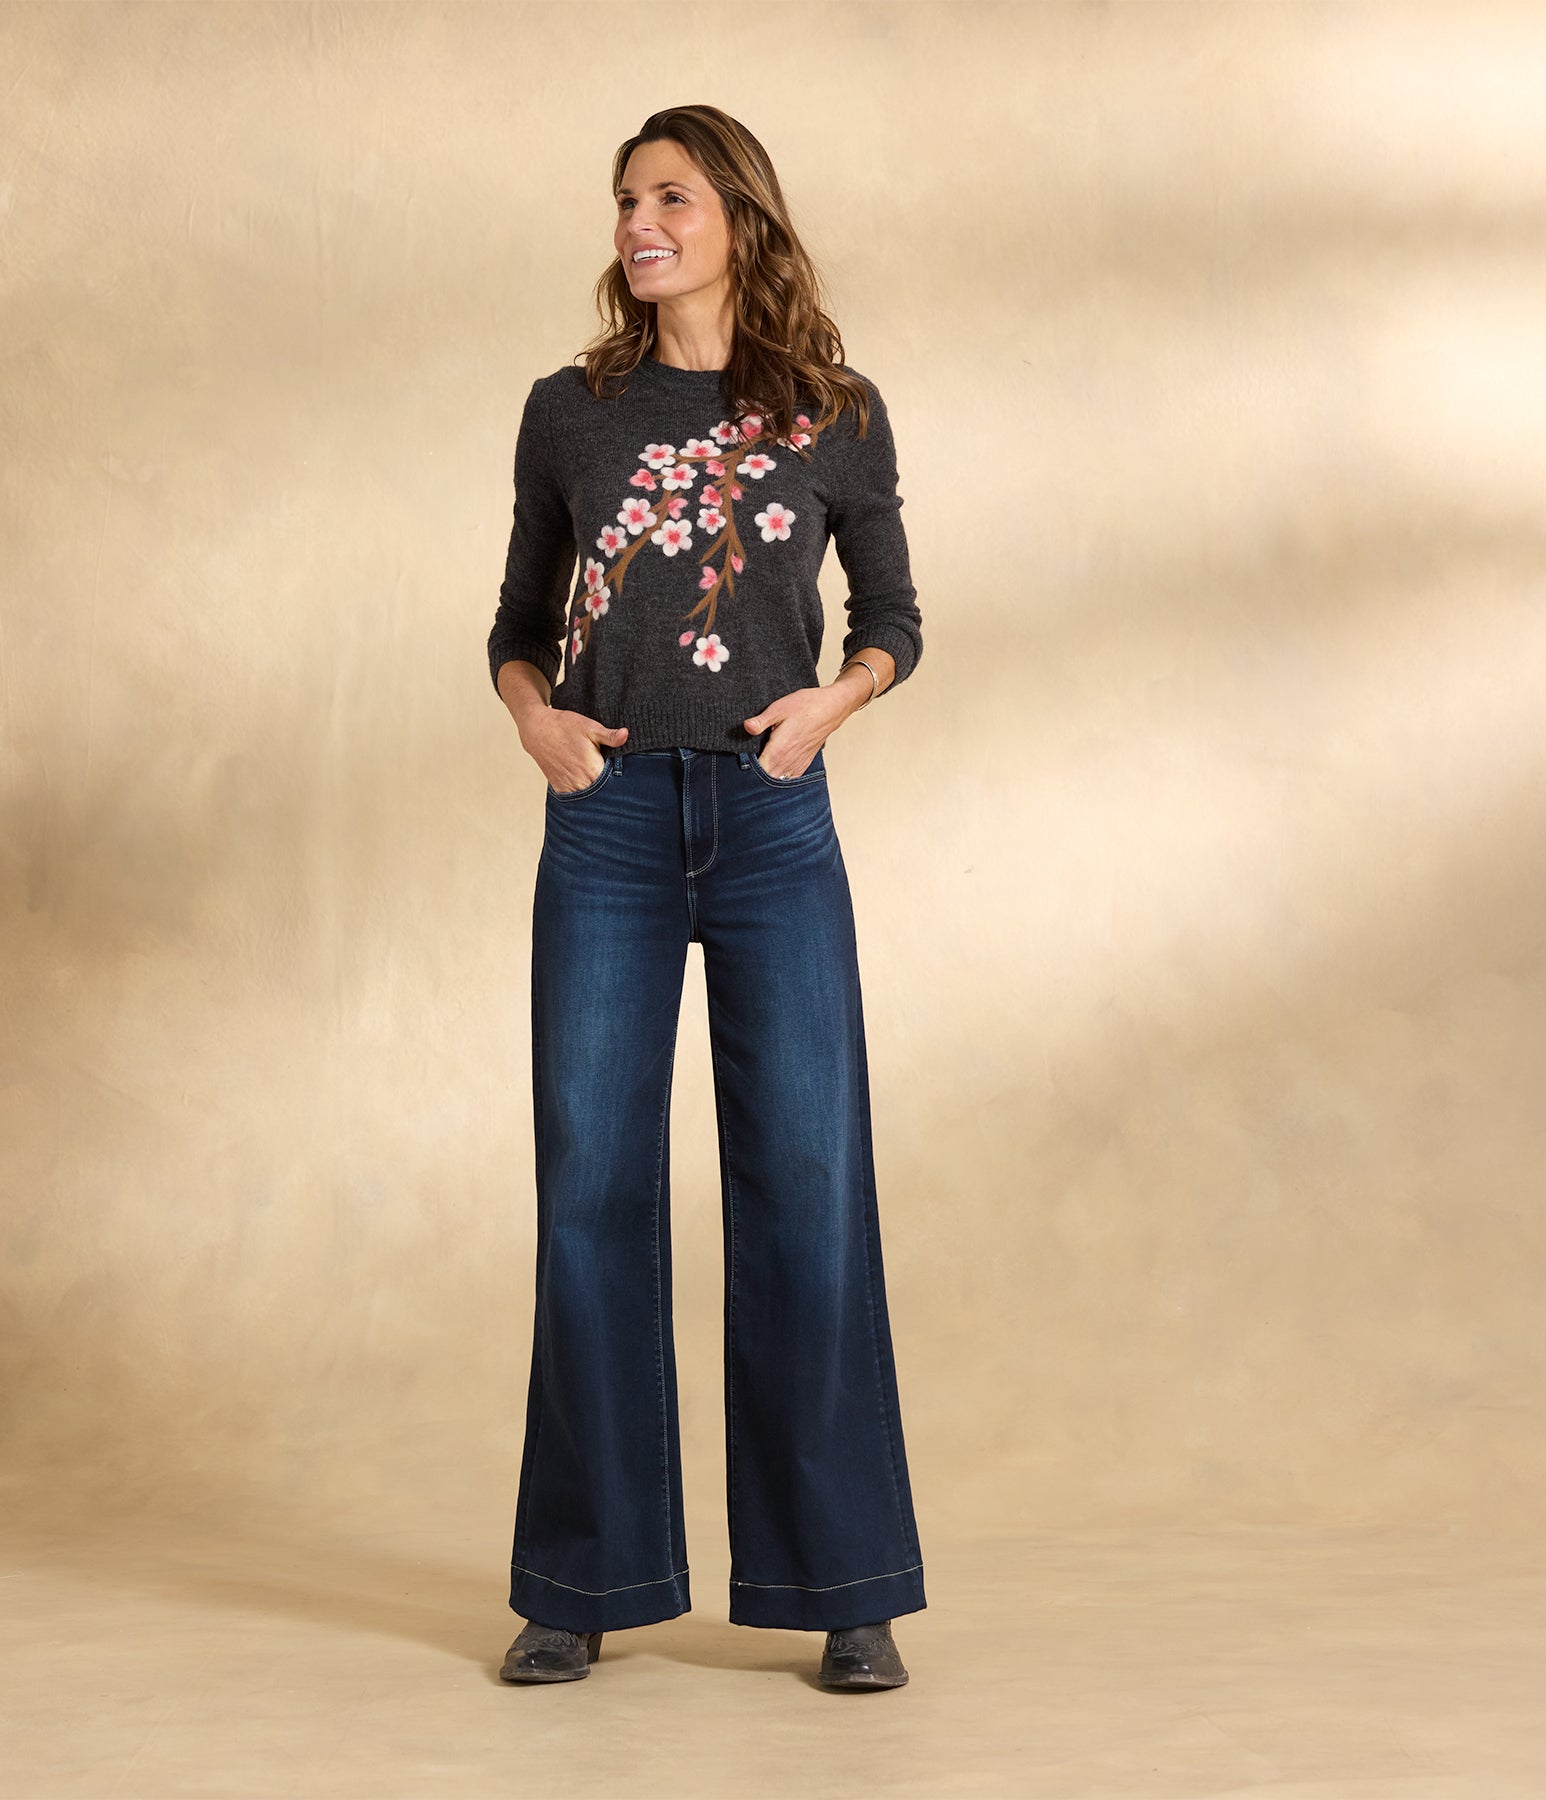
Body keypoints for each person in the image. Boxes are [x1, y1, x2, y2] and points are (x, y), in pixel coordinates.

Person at [486, 104, 926, 1693]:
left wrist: (833, 704)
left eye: (670, 197)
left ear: (739, 215)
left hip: (770, 820)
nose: (639, 223)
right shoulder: (571, 410)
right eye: (625, 200)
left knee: (806, 1183)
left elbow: (894, 616)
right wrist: (536, 722)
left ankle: (843, 1585)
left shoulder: (834, 412)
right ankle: (581, 1580)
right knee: (590, 1189)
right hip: (606, 828)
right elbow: (518, 622)